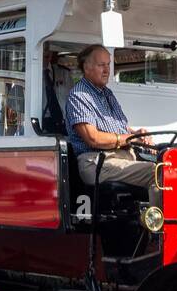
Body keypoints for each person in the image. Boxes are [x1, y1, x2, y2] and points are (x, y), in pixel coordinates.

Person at [64, 44, 158, 191]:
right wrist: (129, 139)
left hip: (121, 158)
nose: (107, 70)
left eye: (108, 64)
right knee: (158, 172)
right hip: (96, 162)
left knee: (172, 167)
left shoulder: (107, 93)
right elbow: (93, 138)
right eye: (101, 65)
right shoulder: (79, 96)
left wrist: (137, 133)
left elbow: (121, 129)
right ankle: (159, 214)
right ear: (87, 67)